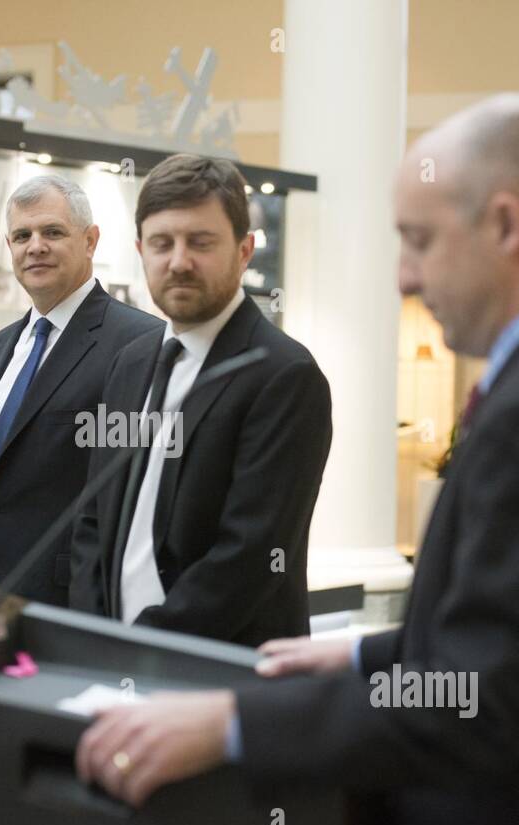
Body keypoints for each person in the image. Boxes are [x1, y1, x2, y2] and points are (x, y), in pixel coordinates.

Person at [75, 96, 519, 825]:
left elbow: (475, 697)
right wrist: (366, 656)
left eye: (418, 240)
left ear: (507, 226)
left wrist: (232, 722)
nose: (405, 278)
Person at [68, 154, 331, 647]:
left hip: (219, 670)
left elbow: (249, 557)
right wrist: (95, 635)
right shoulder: (130, 363)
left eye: (201, 242)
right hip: (112, 662)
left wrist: (143, 645)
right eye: (163, 244)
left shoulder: (284, 375)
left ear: (245, 249)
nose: (179, 261)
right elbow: (92, 520)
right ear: (141, 250)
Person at [0, 175, 160, 605]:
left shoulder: (139, 344)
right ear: (9, 248)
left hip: (69, 605)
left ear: (91, 240)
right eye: (22, 236)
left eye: (52, 232)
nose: (35, 246)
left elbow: (134, 496)